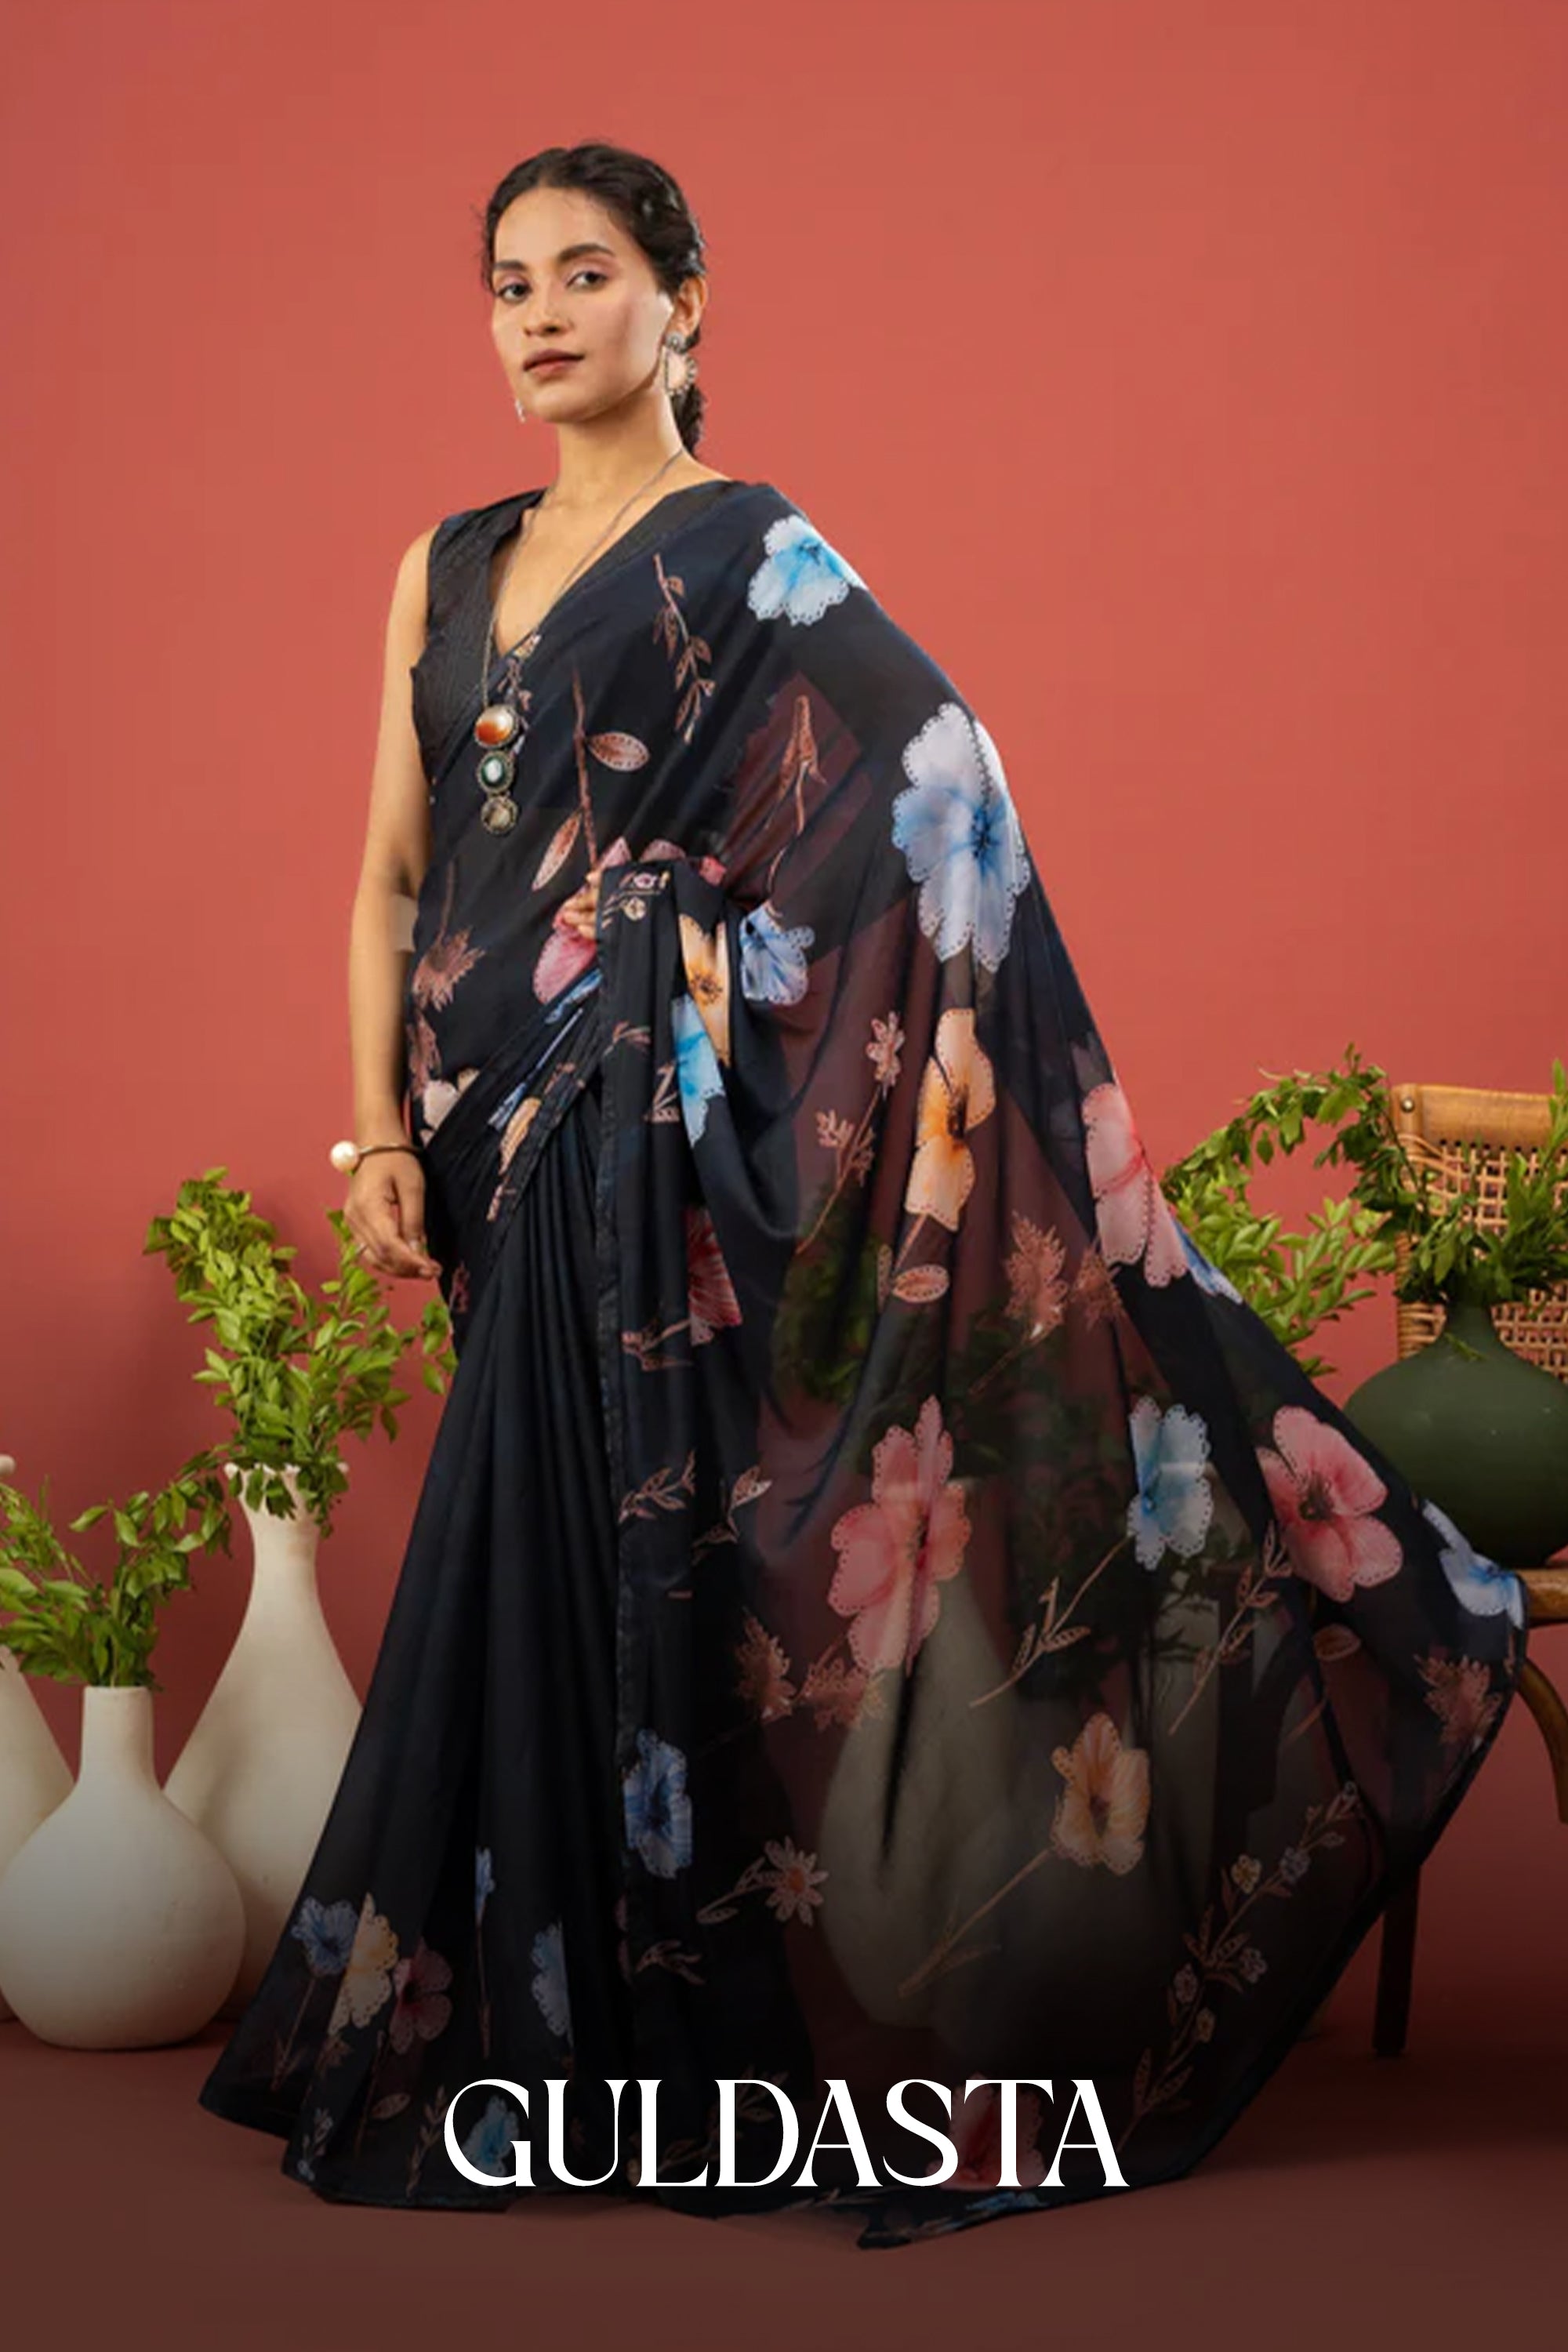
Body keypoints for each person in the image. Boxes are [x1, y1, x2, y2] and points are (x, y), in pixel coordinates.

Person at [198, 140, 1526, 2247]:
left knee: (627, 1544)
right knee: (544, 1545)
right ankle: (564, 2020)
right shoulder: (440, 568)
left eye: (586, 273)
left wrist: (690, 973)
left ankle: (650, 2047)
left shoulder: (750, 553)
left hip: (631, 1133)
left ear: (683, 300)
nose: (540, 316)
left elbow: (939, 788)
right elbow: (386, 875)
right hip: (476, 1130)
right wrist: (370, 1131)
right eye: (510, 283)